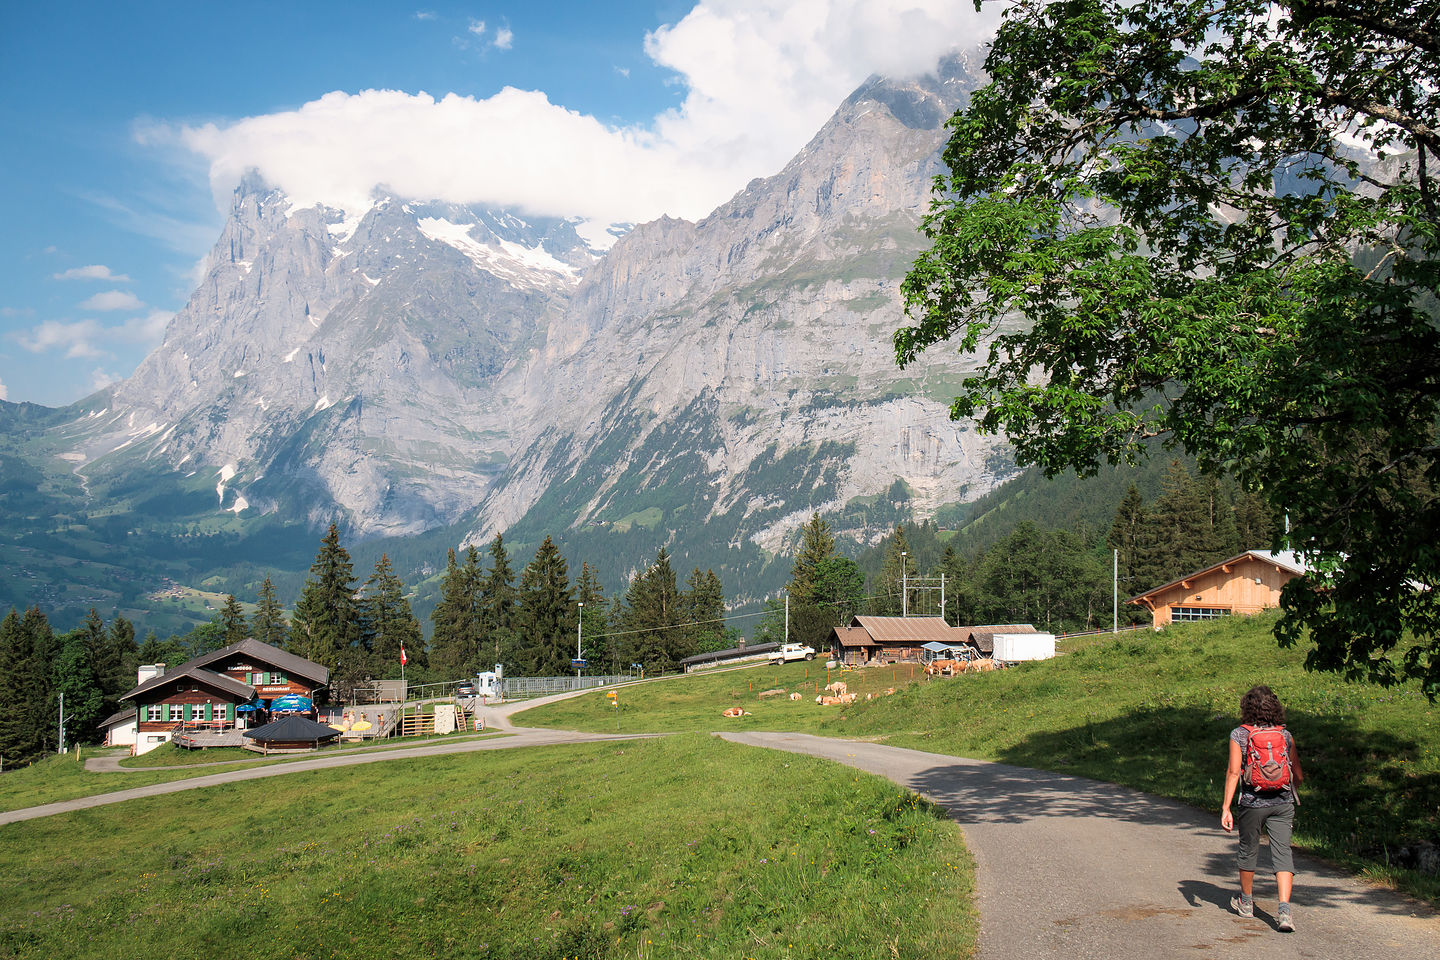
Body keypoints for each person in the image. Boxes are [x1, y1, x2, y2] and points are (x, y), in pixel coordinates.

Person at [1221, 684, 1304, 932]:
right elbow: (1297, 774)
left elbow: (1234, 772)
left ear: (1246, 707)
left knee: (1248, 850)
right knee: (1283, 853)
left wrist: (1226, 807)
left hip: (1252, 802)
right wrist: (1290, 788)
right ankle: (1285, 911)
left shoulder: (1240, 735)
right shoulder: (1285, 736)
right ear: (1275, 708)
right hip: (1283, 801)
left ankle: (1246, 902)